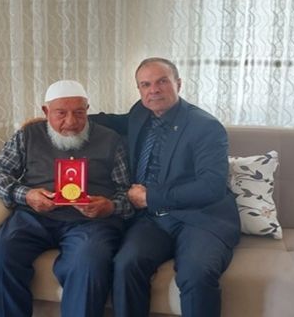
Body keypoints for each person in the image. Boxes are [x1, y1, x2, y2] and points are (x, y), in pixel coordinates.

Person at [92, 57, 240, 317]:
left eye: (162, 81)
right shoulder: (141, 113)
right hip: (153, 220)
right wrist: (61, 117)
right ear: (139, 90)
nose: (154, 90)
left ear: (178, 84)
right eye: (146, 84)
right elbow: (113, 121)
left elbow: (212, 187)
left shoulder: (206, 127)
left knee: (196, 273)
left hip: (200, 218)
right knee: (126, 264)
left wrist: (151, 197)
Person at [0, 80, 134, 317]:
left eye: (79, 113)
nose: (71, 122)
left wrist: (110, 206)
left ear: (87, 109)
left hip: (91, 223)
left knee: (88, 263)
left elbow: (128, 192)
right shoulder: (27, 136)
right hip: (33, 217)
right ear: (46, 111)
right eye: (61, 113)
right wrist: (26, 195)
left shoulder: (111, 140)